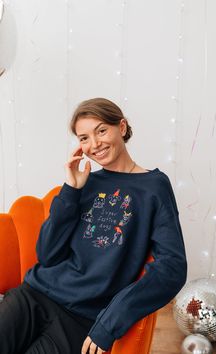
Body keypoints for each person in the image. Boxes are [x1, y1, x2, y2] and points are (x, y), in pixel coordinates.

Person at [0, 97, 188, 354]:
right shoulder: (84, 183)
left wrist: (109, 323)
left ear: (121, 127)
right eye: (84, 138)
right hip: (35, 295)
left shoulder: (154, 187)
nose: (94, 144)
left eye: (101, 131)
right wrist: (71, 190)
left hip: (82, 319)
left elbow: (172, 268)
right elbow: (47, 255)